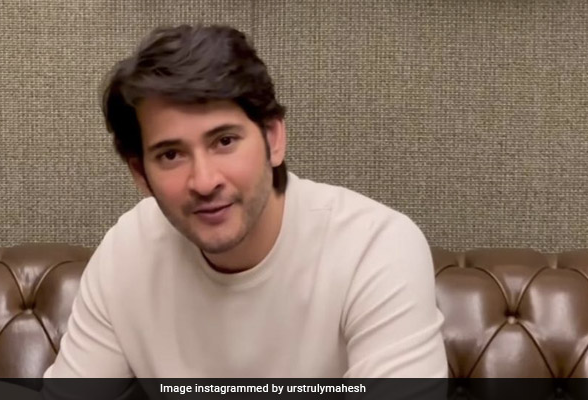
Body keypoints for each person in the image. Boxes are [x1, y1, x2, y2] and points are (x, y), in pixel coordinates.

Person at [43, 24, 448, 379]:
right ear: (140, 174)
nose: (204, 182)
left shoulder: (376, 248)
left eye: (224, 141)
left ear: (273, 139)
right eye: (171, 155)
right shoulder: (127, 252)